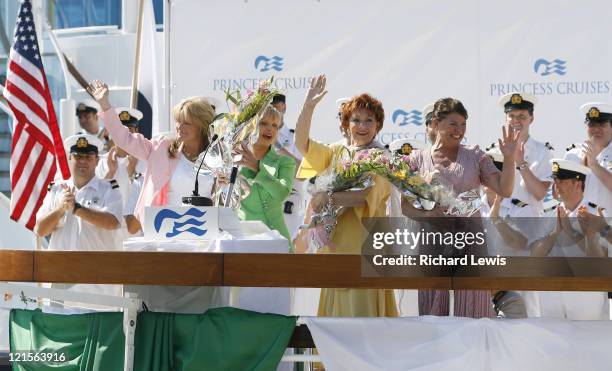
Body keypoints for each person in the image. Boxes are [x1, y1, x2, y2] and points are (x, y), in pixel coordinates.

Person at [401, 97, 518, 318]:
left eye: (463, 124)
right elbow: (406, 208)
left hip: (470, 246)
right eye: (453, 124)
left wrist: (510, 158)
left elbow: (505, 190)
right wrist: (428, 214)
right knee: (432, 319)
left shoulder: (475, 155)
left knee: (473, 317)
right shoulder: (416, 160)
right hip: (432, 247)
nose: (459, 130)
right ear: (436, 123)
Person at [295, 74, 397, 317]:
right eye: (356, 120)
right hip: (335, 251)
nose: (362, 126)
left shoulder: (382, 158)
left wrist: (325, 197)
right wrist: (308, 106)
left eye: (369, 120)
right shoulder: (335, 151)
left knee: (363, 330)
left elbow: (363, 195)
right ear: (346, 124)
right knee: (333, 329)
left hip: (364, 254)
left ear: (378, 125)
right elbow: (301, 144)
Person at [86, 80, 216, 223]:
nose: (179, 127)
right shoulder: (160, 149)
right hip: (164, 231)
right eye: (178, 121)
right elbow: (123, 139)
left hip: (204, 234)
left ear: (202, 126)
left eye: (186, 123)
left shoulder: (217, 158)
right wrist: (105, 104)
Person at [530, 159, 610, 319]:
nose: (556, 185)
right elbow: (534, 256)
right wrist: (554, 234)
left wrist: (574, 233)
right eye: (555, 181)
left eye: (562, 181)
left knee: (588, 340)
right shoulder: (549, 214)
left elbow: (601, 262)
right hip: (552, 294)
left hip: (584, 296)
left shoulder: (597, 215)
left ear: (578, 184)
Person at [34, 134, 122, 250]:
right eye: (78, 156)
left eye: (88, 157)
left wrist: (77, 209)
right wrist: (61, 209)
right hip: (60, 265)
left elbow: (113, 222)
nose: (83, 161)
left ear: (97, 160)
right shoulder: (56, 189)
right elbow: (40, 230)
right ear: (70, 158)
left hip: (95, 266)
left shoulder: (109, 189)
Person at [235, 104, 295, 245]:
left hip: (277, 243)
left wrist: (257, 168)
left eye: (275, 125)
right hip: (244, 242)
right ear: (249, 127)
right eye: (263, 123)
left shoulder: (285, 162)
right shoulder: (233, 162)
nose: (270, 129)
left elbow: (281, 194)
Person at [495, 92, 553, 218]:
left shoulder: (543, 152)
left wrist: (520, 162)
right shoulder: (494, 151)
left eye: (522, 116)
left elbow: (540, 194)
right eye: (511, 115)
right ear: (506, 118)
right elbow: (488, 192)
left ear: (531, 119)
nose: (516, 120)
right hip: (500, 221)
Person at [565, 102, 612, 212]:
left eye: (602, 124)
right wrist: (583, 166)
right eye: (592, 124)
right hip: (577, 224)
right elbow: (558, 194)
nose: (596, 129)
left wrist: (594, 165)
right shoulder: (573, 154)